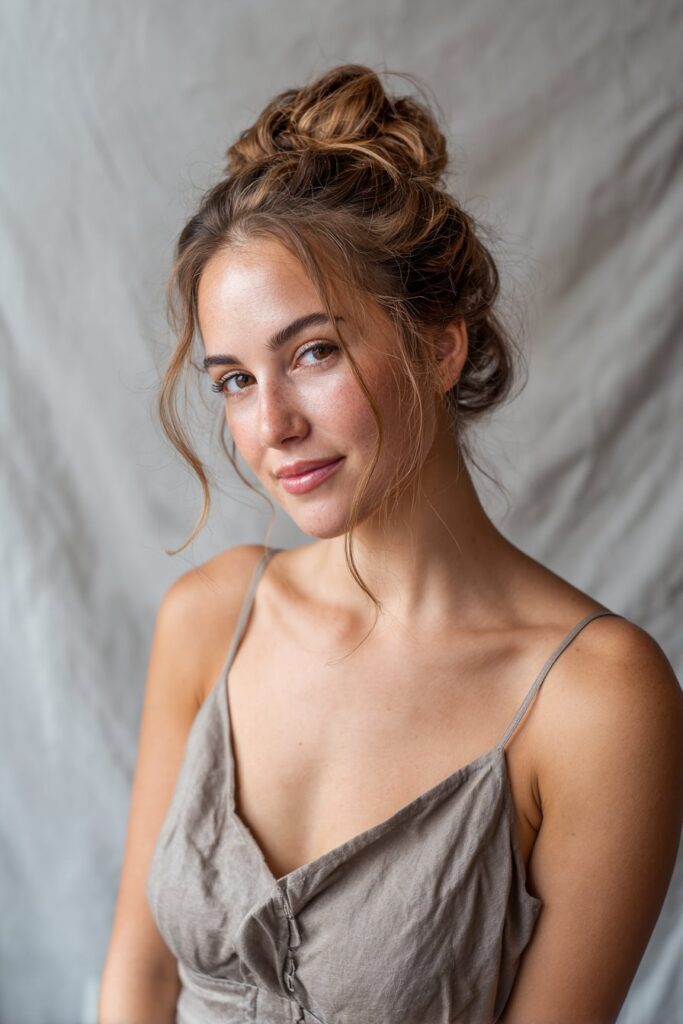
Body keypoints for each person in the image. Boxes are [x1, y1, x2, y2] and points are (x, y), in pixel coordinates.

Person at [98, 64, 683, 1024]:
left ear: (440, 344)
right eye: (234, 380)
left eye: (313, 353)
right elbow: (138, 978)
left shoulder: (594, 701)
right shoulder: (210, 618)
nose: (271, 424)